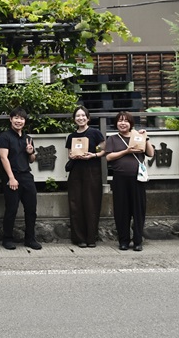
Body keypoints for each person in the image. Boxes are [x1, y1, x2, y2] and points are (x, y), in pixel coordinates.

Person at [105, 111, 154, 252]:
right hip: (120, 179)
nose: (122, 123)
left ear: (130, 123)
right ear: (116, 124)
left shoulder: (138, 137)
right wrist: (126, 151)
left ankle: (138, 240)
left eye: (125, 120)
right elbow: (109, 157)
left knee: (138, 210)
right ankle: (123, 240)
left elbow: (150, 154)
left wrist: (146, 138)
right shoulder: (113, 139)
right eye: (119, 120)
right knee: (121, 211)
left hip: (137, 179)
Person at [0, 107, 41, 250]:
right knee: (11, 209)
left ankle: (30, 238)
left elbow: (32, 160)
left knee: (31, 209)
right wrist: (11, 178)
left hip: (26, 176)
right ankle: (7, 239)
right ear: (10, 119)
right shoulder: (4, 137)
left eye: (21, 118)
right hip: (11, 176)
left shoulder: (28, 138)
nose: (19, 121)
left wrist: (31, 152)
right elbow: (3, 157)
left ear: (25, 121)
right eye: (16, 118)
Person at [65, 106, 106, 248]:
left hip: (92, 171)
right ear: (74, 119)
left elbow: (103, 150)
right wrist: (72, 155)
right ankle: (79, 238)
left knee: (91, 204)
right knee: (76, 204)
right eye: (77, 116)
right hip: (76, 171)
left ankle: (91, 238)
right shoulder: (71, 136)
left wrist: (94, 155)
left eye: (83, 115)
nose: (80, 118)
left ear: (88, 118)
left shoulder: (95, 133)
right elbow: (69, 154)